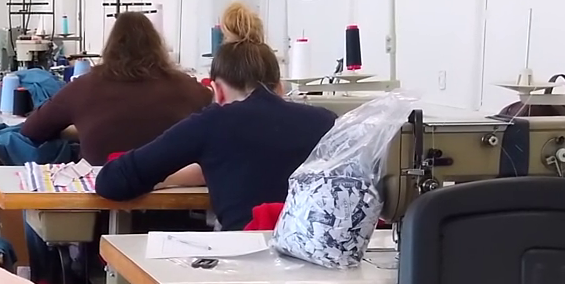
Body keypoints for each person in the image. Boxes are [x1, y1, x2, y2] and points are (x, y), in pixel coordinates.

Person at [98, 15, 335, 230]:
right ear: (280, 88)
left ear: (217, 91)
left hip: (248, 259)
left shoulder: (212, 123)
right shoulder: (326, 121)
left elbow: (112, 182)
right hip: (321, 257)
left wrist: (165, 178)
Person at [19, 12, 210, 164]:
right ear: (158, 46)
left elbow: (31, 129)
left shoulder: (82, 88)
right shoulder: (186, 87)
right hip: (173, 191)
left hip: (102, 191)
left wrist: (78, 130)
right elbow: (215, 117)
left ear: (110, 46)